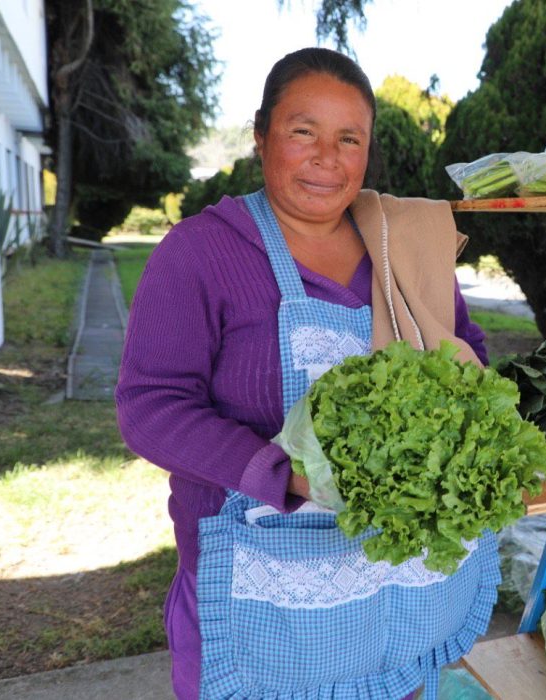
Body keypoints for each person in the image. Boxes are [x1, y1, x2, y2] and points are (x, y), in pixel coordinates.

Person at [116, 48, 495, 699]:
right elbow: (151, 408)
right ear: (261, 134)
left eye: (350, 139)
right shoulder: (202, 253)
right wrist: (284, 473)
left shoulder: (398, 241)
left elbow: (467, 348)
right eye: (303, 132)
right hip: (269, 601)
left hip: (397, 593)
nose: (328, 157)